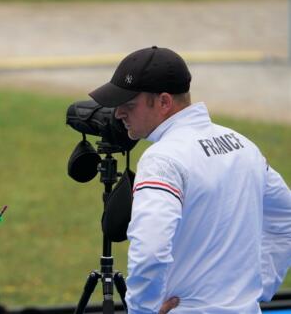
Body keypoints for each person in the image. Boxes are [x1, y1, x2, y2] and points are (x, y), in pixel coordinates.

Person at [89, 46, 291, 313]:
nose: (118, 114)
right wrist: (258, 288)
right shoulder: (243, 145)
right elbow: (286, 218)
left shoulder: (162, 158)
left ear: (163, 102)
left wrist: (141, 311)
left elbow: (150, 252)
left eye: (128, 105)